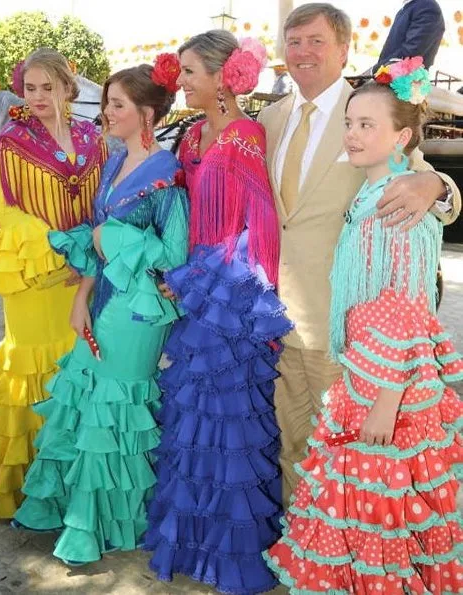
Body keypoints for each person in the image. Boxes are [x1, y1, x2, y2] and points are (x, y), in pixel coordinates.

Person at [263, 57, 463, 594]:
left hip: (385, 378)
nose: (351, 134)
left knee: (379, 502)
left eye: (366, 125)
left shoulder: (400, 200)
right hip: (362, 367)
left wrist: (388, 395)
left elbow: (407, 303)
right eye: (349, 123)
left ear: (402, 137)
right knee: (362, 501)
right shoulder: (373, 190)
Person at [11, 58, 189, 566]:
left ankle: (106, 525)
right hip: (103, 300)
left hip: (139, 313)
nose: (106, 113)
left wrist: (112, 237)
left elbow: (175, 258)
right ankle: (71, 512)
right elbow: (93, 238)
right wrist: (80, 297)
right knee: (85, 406)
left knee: (117, 413)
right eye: (107, 102)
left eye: (117, 105)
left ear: (148, 113)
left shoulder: (169, 175)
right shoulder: (112, 163)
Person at [144, 31, 293, 595]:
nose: (178, 82)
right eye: (179, 72)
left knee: (230, 428)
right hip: (193, 295)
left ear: (220, 77)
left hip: (226, 302)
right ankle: (196, 543)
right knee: (193, 424)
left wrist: (233, 295)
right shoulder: (192, 136)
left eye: (188, 73)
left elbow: (261, 227)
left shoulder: (244, 135)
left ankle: (234, 555)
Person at [0, 48, 107, 519]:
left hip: (79, 281)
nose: (39, 97)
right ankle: (25, 490)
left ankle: (70, 490)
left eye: (49, 87)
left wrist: (88, 257)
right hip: (33, 277)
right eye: (31, 88)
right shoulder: (12, 140)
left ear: (69, 87)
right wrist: (60, 249)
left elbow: (101, 205)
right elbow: (6, 212)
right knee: (29, 375)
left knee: (74, 373)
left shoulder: (93, 137)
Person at [373, 0, 445, 72]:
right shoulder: (411, 6)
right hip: (394, 76)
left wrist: (377, 69)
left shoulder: (426, 7)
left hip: (406, 79)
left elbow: (411, 52)